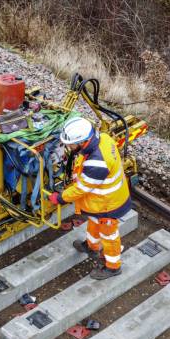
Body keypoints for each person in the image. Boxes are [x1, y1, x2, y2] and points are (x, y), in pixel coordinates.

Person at [49, 117, 132, 280]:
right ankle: (92, 247)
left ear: (83, 141)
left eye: (70, 144)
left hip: (108, 205)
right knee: (94, 223)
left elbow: (82, 188)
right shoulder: (104, 139)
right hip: (101, 202)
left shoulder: (97, 163)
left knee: (109, 235)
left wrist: (61, 198)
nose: (68, 147)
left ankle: (113, 266)